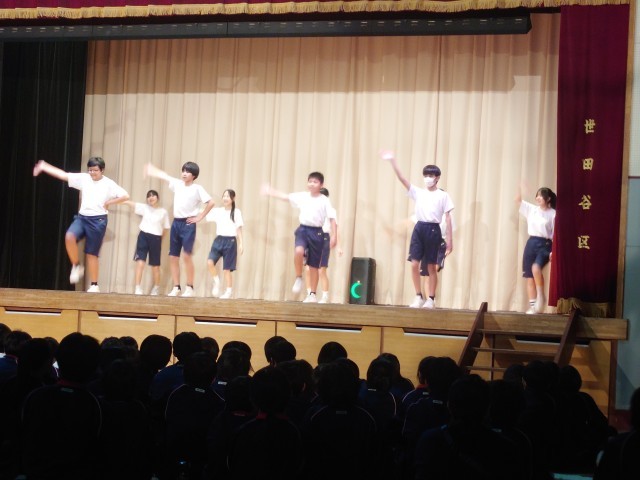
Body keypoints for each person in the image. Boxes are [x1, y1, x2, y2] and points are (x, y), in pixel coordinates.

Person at [33, 157, 129, 292]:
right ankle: (76, 265)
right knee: (69, 237)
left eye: (95, 170)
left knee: (91, 254)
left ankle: (94, 285)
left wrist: (109, 203)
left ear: (102, 170)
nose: (92, 173)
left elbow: (125, 196)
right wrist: (44, 166)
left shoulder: (109, 184)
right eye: (90, 170)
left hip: (98, 220)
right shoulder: (84, 178)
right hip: (82, 218)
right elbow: (63, 175)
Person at [382, 150, 454, 309]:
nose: (427, 178)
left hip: (433, 230)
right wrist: (392, 161)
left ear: (437, 177)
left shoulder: (443, 196)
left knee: (431, 267)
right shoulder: (419, 192)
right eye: (425, 175)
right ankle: (418, 296)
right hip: (419, 228)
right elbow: (402, 179)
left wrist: (450, 241)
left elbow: (448, 218)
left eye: (431, 175)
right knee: (414, 264)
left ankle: (431, 299)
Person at [261, 172, 337, 303]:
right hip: (303, 229)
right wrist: (270, 191)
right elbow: (285, 197)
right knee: (299, 251)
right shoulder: (303, 196)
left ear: (321, 185)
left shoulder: (324, 200)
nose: (311, 184)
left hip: (317, 232)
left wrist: (334, 235)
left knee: (313, 266)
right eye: (310, 181)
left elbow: (332, 218)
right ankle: (298, 277)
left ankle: (312, 294)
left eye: (315, 182)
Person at [144, 162, 214, 297]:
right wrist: (151, 170)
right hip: (176, 223)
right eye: (183, 171)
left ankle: (190, 287)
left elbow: (211, 202)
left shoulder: (197, 188)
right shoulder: (177, 184)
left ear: (194, 175)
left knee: (187, 256)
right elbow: (164, 176)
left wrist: (200, 217)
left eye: (187, 171)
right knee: (173, 256)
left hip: (188, 224)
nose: (184, 173)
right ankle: (176, 287)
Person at [516, 186, 556, 314]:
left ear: (548, 198)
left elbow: (556, 234)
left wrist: (553, 251)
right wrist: (520, 188)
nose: (538, 198)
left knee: (536, 268)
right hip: (531, 243)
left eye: (541, 195)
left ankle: (541, 297)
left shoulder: (553, 214)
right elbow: (518, 200)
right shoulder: (532, 209)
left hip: (545, 244)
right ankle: (533, 306)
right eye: (537, 195)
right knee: (530, 276)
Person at [123, 189, 170, 295]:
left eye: (153, 195)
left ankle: (156, 288)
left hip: (156, 238)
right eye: (149, 196)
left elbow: (166, 227)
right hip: (143, 236)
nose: (151, 198)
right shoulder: (145, 208)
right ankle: (137, 288)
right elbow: (131, 203)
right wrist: (120, 200)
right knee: (140, 262)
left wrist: (160, 238)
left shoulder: (163, 212)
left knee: (155, 266)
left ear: (158, 198)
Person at [305, 187, 343, 303]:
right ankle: (311, 295)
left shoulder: (331, 211)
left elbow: (336, 229)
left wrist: (339, 246)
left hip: (324, 238)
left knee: (321, 270)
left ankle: (325, 296)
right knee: (308, 269)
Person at [206, 188, 244, 299]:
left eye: (228, 196)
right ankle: (216, 281)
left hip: (230, 242)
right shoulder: (218, 211)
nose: (225, 198)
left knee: (227, 269)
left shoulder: (236, 212)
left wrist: (241, 243)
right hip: (218, 240)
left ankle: (228, 291)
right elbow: (205, 213)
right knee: (210, 262)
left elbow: (238, 228)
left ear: (233, 198)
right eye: (224, 196)